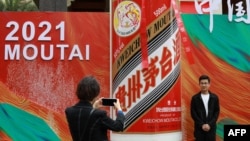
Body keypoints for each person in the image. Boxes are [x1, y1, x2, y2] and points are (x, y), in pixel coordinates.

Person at [65, 75, 125, 141]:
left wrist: (93, 107)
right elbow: (118, 126)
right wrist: (119, 109)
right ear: (95, 94)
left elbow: (84, 117)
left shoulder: (69, 112)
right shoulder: (99, 114)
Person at [190, 74, 220, 141]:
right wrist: (202, 125)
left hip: (211, 128)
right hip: (199, 129)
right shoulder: (195, 98)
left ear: (209, 84)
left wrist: (209, 124)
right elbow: (193, 113)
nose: (204, 85)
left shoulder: (214, 98)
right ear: (199, 84)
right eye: (202, 83)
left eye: (205, 83)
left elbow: (216, 112)